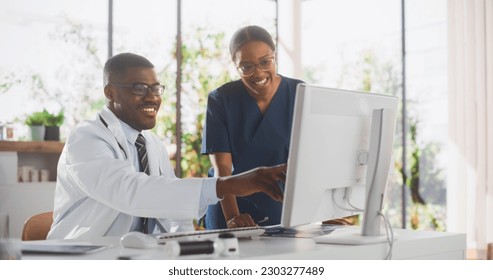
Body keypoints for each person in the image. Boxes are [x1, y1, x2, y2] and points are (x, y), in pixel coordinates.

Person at [47, 52, 285, 240]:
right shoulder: (86, 139)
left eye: (155, 88)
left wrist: (194, 245)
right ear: (110, 92)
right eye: (139, 88)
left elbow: (172, 212)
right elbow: (131, 192)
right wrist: (227, 185)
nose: (151, 97)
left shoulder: (151, 144)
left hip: (140, 257)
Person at [201, 25, 304, 229]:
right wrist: (232, 218)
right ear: (235, 65)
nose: (258, 73)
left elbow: (311, 160)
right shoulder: (221, 100)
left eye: (265, 62)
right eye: (246, 67)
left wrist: (324, 213)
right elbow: (223, 168)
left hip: (278, 205)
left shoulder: (299, 93)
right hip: (229, 205)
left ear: (274, 57)